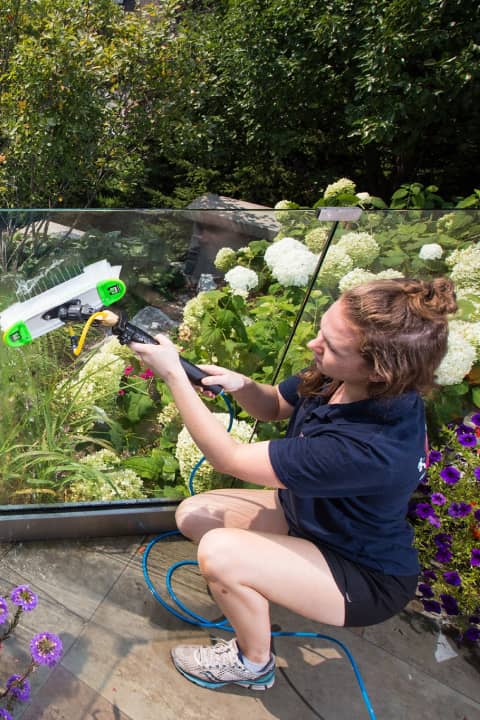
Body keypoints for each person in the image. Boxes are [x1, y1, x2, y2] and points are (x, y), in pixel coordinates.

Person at [130, 276, 457, 692]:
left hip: (361, 573)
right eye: (322, 330)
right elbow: (273, 405)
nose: (313, 345)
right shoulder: (340, 376)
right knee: (194, 515)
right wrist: (242, 385)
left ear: (380, 370)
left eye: (332, 346)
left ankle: (253, 664)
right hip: (311, 520)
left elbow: (226, 457)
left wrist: (174, 377)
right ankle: (260, 588)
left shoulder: (368, 446)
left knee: (221, 553)